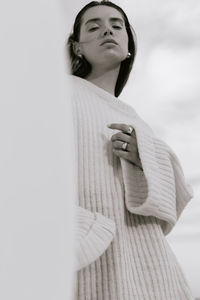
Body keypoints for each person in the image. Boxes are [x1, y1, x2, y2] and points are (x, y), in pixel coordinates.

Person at [67, 1, 194, 299]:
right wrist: (85, 233)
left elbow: (174, 203)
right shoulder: (57, 92)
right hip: (93, 260)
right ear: (77, 48)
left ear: (128, 45)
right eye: (93, 26)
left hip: (152, 269)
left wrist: (146, 158)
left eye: (116, 25)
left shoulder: (138, 122)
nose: (107, 30)